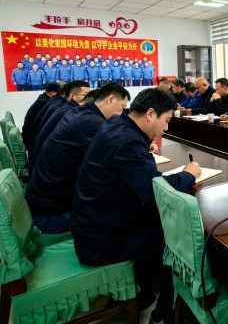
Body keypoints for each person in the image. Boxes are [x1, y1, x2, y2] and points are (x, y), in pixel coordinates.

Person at [71, 88, 201, 324]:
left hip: (93, 224)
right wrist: (188, 175)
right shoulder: (127, 142)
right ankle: (166, 314)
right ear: (151, 113)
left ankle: (140, 289)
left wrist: (144, 150)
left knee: (159, 223)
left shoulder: (116, 127)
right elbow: (153, 191)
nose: (167, 128)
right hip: (102, 240)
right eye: (167, 120)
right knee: (177, 239)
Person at [25, 84, 131, 234]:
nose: (121, 113)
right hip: (52, 215)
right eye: (121, 107)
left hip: (40, 203)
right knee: (127, 213)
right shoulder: (92, 124)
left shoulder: (79, 112)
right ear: (110, 99)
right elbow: (111, 163)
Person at [30, 81, 91, 168]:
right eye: (85, 95)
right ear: (72, 96)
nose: (87, 99)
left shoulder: (61, 105)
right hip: (44, 163)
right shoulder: (66, 111)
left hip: (40, 157)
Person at [22, 83, 61, 153]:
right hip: (31, 141)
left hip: (29, 136)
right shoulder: (46, 102)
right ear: (53, 93)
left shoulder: (43, 98)